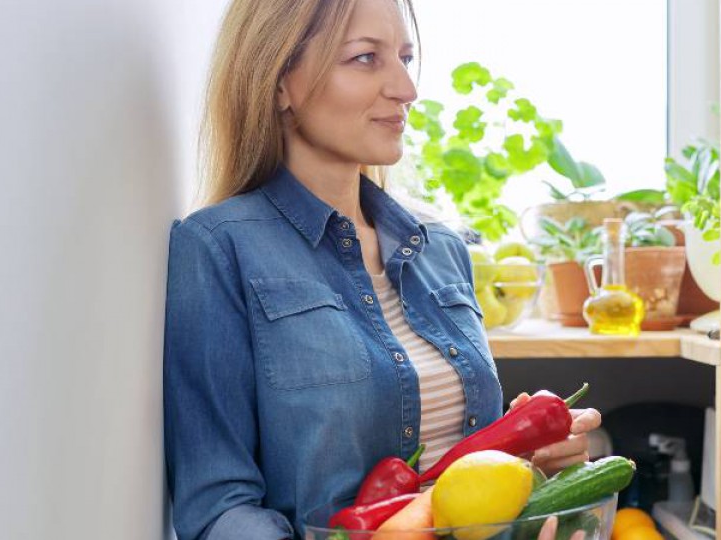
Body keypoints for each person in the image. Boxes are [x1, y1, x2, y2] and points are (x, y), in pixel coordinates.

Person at [163, 0, 602, 538]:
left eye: (405, 58)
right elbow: (216, 509)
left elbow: (470, 483)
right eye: (366, 58)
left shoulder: (441, 250)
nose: (406, 89)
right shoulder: (217, 249)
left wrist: (537, 465)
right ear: (279, 81)